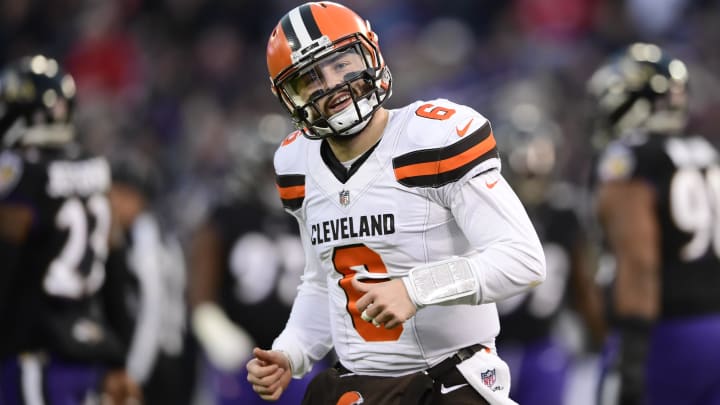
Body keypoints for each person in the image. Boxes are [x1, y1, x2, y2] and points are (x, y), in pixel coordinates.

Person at [246, 2, 547, 404]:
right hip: (358, 387)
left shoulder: (434, 136)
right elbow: (324, 283)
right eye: (309, 80)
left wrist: (415, 288)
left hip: (452, 381)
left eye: (341, 64)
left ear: (369, 54)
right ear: (290, 98)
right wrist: (292, 350)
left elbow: (523, 258)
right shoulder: (295, 162)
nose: (331, 85)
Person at [0, 55, 140, 404]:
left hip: (31, 355)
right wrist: (120, 358)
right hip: (90, 355)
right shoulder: (98, 171)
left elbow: (4, 267)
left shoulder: (19, 175)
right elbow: (116, 272)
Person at [587, 42, 720, 405]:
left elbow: (639, 261)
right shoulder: (708, 154)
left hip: (666, 332)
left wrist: (632, 346)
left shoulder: (630, 157)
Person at [189, 144, 328, 405]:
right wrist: (214, 327)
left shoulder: (312, 215)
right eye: (268, 171)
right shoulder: (228, 216)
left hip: (301, 356)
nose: (274, 180)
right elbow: (201, 285)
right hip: (241, 356)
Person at [492, 104, 607, 405]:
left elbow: (582, 283)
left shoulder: (563, 213)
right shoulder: (489, 209)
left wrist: (600, 337)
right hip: (491, 347)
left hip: (540, 346)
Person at [104, 152, 197, 405]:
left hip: (158, 358)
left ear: (142, 201)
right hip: (155, 353)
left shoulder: (146, 237)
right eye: (112, 193)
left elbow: (151, 309)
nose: (115, 202)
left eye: (125, 195)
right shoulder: (146, 232)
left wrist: (133, 372)